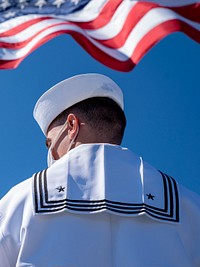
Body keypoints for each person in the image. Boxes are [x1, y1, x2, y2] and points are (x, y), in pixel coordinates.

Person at [0, 73, 200, 267]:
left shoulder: (20, 201)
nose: (52, 154)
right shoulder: (189, 205)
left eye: (50, 143)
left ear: (71, 126)